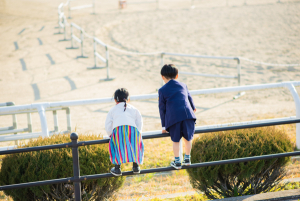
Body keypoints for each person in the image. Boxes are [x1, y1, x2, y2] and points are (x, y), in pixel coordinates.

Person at [158, 64, 196, 170]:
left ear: (162, 77)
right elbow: (189, 97)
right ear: (177, 75)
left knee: (176, 140)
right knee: (188, 138)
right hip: (188, 115)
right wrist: (193, 107)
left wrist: (164, 126)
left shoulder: (162, 90)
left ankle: (177, 161)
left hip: (174, 118)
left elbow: (162, 109)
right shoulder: (183, 85)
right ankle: (187, 159)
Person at [105, 88, 144, 176]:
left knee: (117, 147)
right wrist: (139, 131)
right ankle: (136, 167)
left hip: (118, 131)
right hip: (133, 130)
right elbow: (139, 121)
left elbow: (108, 124)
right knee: (134, 146)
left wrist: (110, 134)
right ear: (128, 98)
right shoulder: (134, 109)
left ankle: (117, 168)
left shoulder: (112, 110)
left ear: (115, 100)